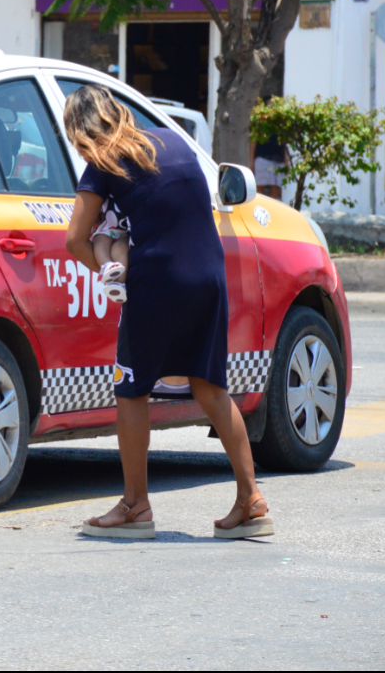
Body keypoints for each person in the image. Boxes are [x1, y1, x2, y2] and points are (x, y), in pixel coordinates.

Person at [63, 84, 271, 541]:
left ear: (80, 131)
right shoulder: (173, 140)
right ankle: (251, 500)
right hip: (210, 274)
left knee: (131, 391)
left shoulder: (102, 162)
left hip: (157, 281)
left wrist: (106, 267)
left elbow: (74, 238)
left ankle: (136, 506)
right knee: (212, 389)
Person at [90, 199, 129, 304]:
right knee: (100, 239)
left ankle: (119, 284)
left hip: (129, 230)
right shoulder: (105, 183)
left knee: (120, 248)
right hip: (109, 223)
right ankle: (107, 265)